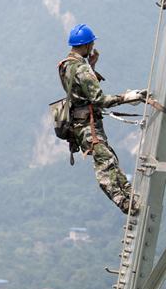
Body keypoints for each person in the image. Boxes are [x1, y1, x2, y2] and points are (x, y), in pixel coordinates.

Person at [59, 24, 146, 215]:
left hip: (79, 125)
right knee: (106, 164)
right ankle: (126, 204)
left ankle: (131, 197)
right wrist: (127, 97)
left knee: (110, 160)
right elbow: (99, 100)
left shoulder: (65, 65)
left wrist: (92, 65)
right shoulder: (82, 69)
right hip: (89, 126)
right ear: (87, 45)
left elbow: (78, 90)